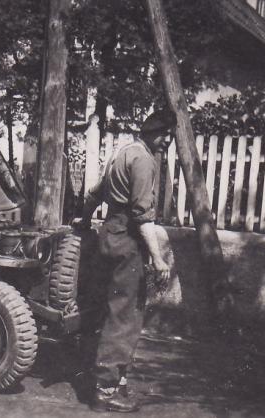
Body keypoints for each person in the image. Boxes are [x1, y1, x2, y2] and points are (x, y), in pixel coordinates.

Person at [74, 109, 174, 413]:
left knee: (107, 311)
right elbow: (143, 217)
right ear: (153, 133)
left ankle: (111, 380)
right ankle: (105, 392)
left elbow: (95, 193)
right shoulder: (144, 160)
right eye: (165, 134)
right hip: (128, 242)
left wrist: (84, 219)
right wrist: (158, 258)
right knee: (125, 317)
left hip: (108, 236)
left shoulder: (123, 152)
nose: (168, 140)